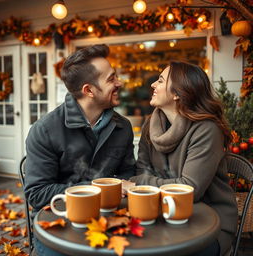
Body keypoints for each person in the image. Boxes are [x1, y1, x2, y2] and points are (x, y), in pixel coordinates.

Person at [24, 44, 135, 256]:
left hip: (108, 217)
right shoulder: (45, 130)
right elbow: (37, 194)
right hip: (57, 222)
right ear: (89, 90)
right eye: (111, 79)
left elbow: (128, 173)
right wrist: (98, 188)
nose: (119, 83)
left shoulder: (123, 127)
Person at [129, 61, 238, 256]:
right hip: (163, 218)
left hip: (209, 225)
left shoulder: (206, 130)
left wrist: (138, 183)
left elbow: (189, 189)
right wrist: (142, 181)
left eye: (160, 80)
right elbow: (142, 172)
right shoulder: (150, 127)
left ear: (177, 93)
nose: (153, 85)